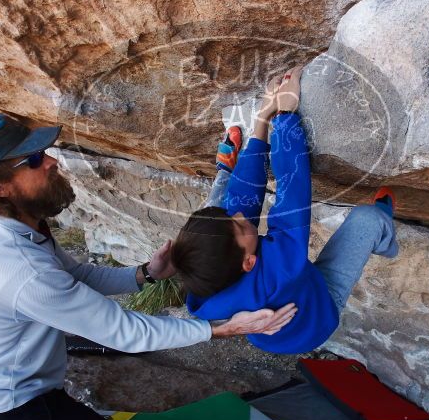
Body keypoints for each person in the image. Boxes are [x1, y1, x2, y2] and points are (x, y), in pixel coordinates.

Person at [0, 113, 298, 420]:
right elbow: (126, 332)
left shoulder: (11, 223)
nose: (50, 161)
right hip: (11, 405)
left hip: (19, 389)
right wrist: (224, 328)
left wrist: (146, 273)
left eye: (42, 152)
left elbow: (76, 276)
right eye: (31, 160)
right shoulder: (20, 268)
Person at [171, 66, 399, 354]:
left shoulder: (207, 279)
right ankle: (387, 241)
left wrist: (263, 117)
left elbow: (242, 198)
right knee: (369, 219)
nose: (240, 217)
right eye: (240, 226)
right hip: (319, 311)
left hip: (274, 327)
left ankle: (225, 168)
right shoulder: (280, 267)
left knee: (222, 203)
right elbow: (292, 192)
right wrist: (286, 116)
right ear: (249, 263)